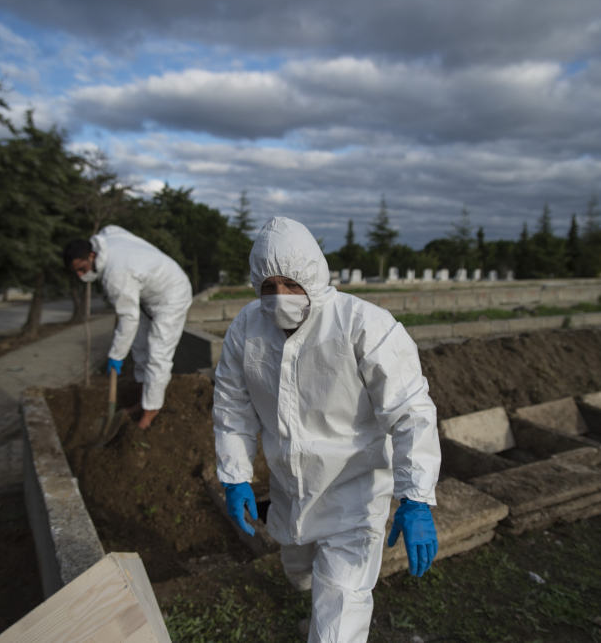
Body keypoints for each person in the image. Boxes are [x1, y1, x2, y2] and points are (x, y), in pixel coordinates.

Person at [213, 217, 441, 643]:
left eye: (292, 283)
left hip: (355, 495)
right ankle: (314, 607)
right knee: (298, 571)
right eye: (269, 286)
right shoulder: (247, 328)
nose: (280, 297)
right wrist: (235, 475)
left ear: (315, 277)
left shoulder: (364, 326)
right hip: (289, 490)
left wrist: (416, 498)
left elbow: (410, 411)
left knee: (338, 616)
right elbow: (232, 405)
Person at [64, 225, 193, 429]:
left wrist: (116, 354)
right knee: (139, 347)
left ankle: (151, 411)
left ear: (91, 255)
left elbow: (128, 318)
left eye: (83, 268)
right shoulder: (104, 239)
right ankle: (143, 399)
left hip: (172, 294)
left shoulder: (116, 275)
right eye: (76, 271)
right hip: (145, 293)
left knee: (158, 354)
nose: (81, 275)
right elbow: (112, 228)